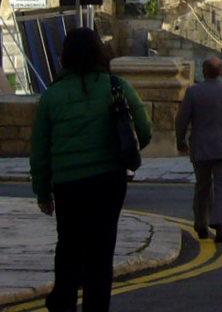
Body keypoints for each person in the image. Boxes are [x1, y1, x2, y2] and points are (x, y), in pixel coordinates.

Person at [30, 28, 151, 312]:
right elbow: (144, 132)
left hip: (68, 183)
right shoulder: (117, 87)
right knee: (101, 251)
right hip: (108, 180)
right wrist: (119, 152)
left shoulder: (51, 97)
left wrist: (42, 192)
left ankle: (63, 301)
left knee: (68, 246)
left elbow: (40, 151)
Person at [175, 56, 222, 243]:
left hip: (200, 146)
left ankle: (201, 223)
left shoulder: (193, 92)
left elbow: (182, 119)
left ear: (203, 72)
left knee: (202, 185)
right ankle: (220, 224)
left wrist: (180, 140)